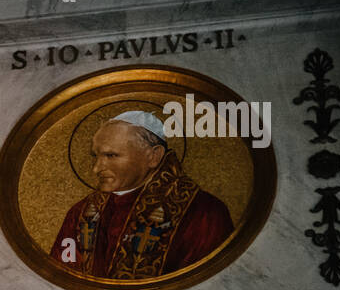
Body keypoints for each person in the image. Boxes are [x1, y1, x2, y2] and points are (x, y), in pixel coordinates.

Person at [49, 111, 233, 279]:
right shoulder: (81, 213)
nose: (96, 168)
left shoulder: (203, 213)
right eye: (96, 156)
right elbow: (60, 279)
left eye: (111, 155)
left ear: (153, 156)